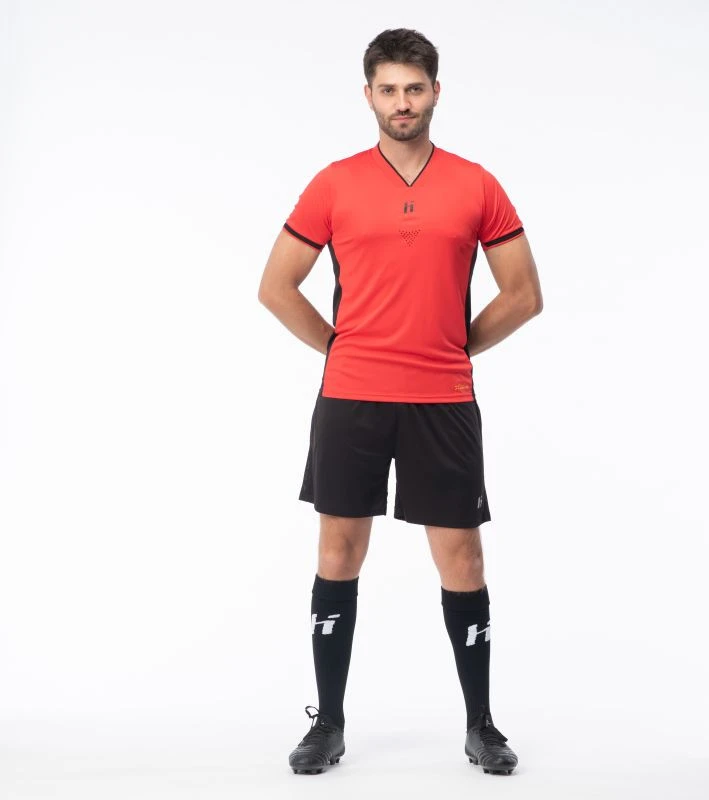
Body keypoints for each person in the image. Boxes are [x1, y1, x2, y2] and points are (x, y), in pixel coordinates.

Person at [258, 28, 543, 776]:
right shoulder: (335, 183)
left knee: (463, 558)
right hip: (351, 397)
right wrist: (339, 348)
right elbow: (276, 286)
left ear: (436, 92)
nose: (402, 102)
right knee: (338, 552)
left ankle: (481, 725)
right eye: (388, 89)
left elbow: (524, 295)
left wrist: (455, 347)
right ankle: (328, 724)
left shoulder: (476, 184)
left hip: (441, 399)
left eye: (414, 88)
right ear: (369, 96)